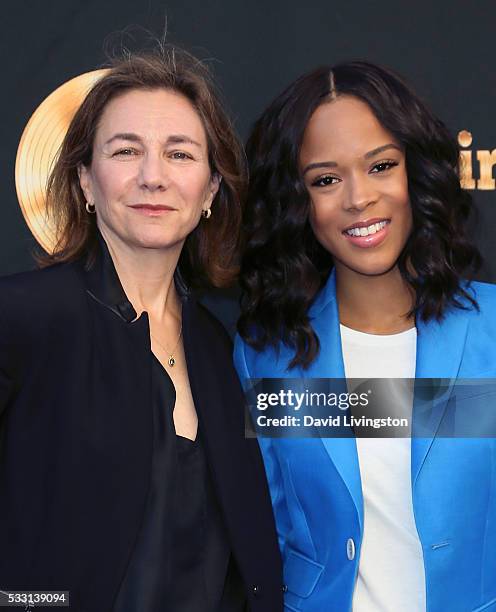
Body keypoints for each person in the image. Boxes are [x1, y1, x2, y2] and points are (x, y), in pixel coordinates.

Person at [0, 47, 283, 612]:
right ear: (84, 180)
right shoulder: (22, 317)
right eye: (126, 151)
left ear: (208, 191)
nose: (153, 176)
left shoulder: (226, 344)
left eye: (180, 154)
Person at [234, 61, 496, 612]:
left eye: (380, 166)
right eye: (326, 180)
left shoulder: (490, 328)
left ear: (415, 172)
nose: (358, 198)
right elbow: (274, 530)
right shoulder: (266, 350)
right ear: (297, 202)